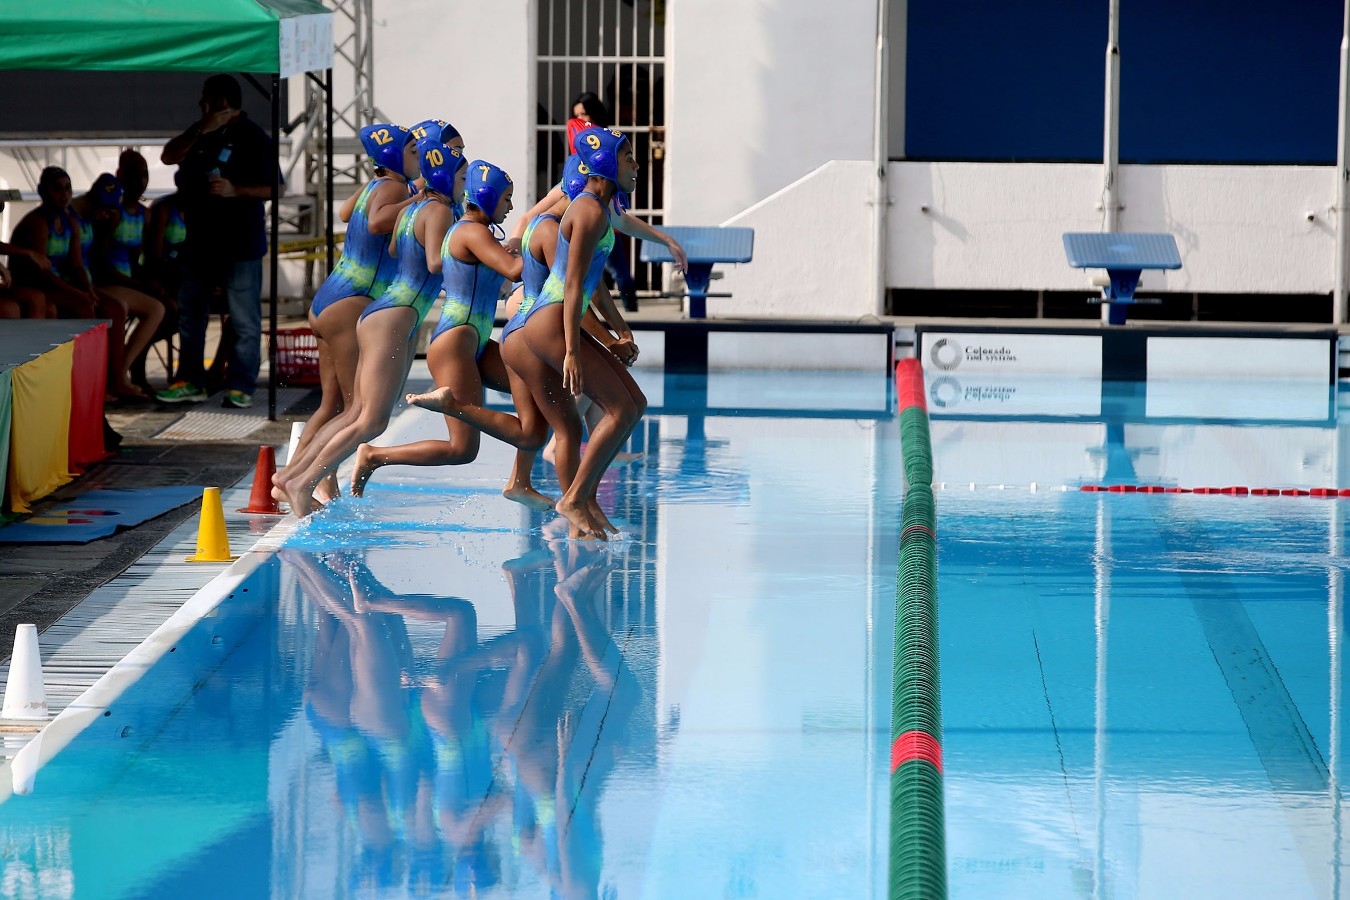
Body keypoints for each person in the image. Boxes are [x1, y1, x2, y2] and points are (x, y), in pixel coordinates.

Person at [275, 141, 466, 518]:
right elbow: (427, 259)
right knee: (367, 417)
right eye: (460, 171)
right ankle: (303, 482)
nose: (465, 179)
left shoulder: (407, 201)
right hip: (379, 307)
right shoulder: (426, 204)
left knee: (348, 411)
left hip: (364, 304)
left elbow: (389, 242)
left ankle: (292, 478)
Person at [352, 160, 556, 510]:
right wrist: (545, 241)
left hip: (472, 340)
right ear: (488, 197)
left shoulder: (480, 234)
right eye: (506, 199)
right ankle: (375, 455)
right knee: (463, 450)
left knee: (543, 389)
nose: (510, 207)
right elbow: (514, 270)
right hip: (454, 344)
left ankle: (520, 482)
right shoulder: (469, 231)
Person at [293, 122, 419, 504]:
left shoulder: (376, 185)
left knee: (332, 405)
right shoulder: (397, 188)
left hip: (330, 297)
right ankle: (300, 480)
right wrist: (414, 200)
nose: (421, 159)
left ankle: (301, 476)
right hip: (351, 302)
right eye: (413, 152)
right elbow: (380, 221)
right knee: (354, 410)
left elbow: (348, 213)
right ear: (394, 157)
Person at [157, 73, 280, 409]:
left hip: (240, 244)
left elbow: (276, 188)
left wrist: (236, 190)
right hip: (199, 242)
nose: (201, 104)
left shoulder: (253, 137)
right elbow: (168, 156)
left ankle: (241, 384)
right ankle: (190, 380)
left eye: (205, 97)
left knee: (243, 318)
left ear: (219, 101)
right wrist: (201, 129)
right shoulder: (198, 133)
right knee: (191, 315)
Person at [77, 169, 166, 399]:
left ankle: (120, 372)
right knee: (116, 307)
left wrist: (146, 282)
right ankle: (114, 378)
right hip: (99, 282)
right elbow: (97, 264)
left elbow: (139, 258)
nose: (104, 214)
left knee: (158, 308)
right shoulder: (80, 220)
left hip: (118, 281)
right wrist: (107, 231)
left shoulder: (139, 215)